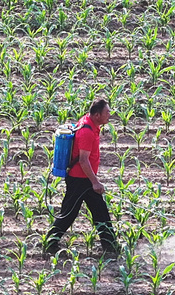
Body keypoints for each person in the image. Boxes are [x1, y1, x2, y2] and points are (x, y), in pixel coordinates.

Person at [45, 98, 121, 258]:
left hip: (84, 178)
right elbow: (83, 160)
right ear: (97, 115)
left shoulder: (90, 124)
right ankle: (50, 243)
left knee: (100, 211)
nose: (110, 115)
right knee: (68, 214)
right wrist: (94, 182)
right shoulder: (87, 131)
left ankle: (111, 247)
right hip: (80, 180)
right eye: (107, 112)